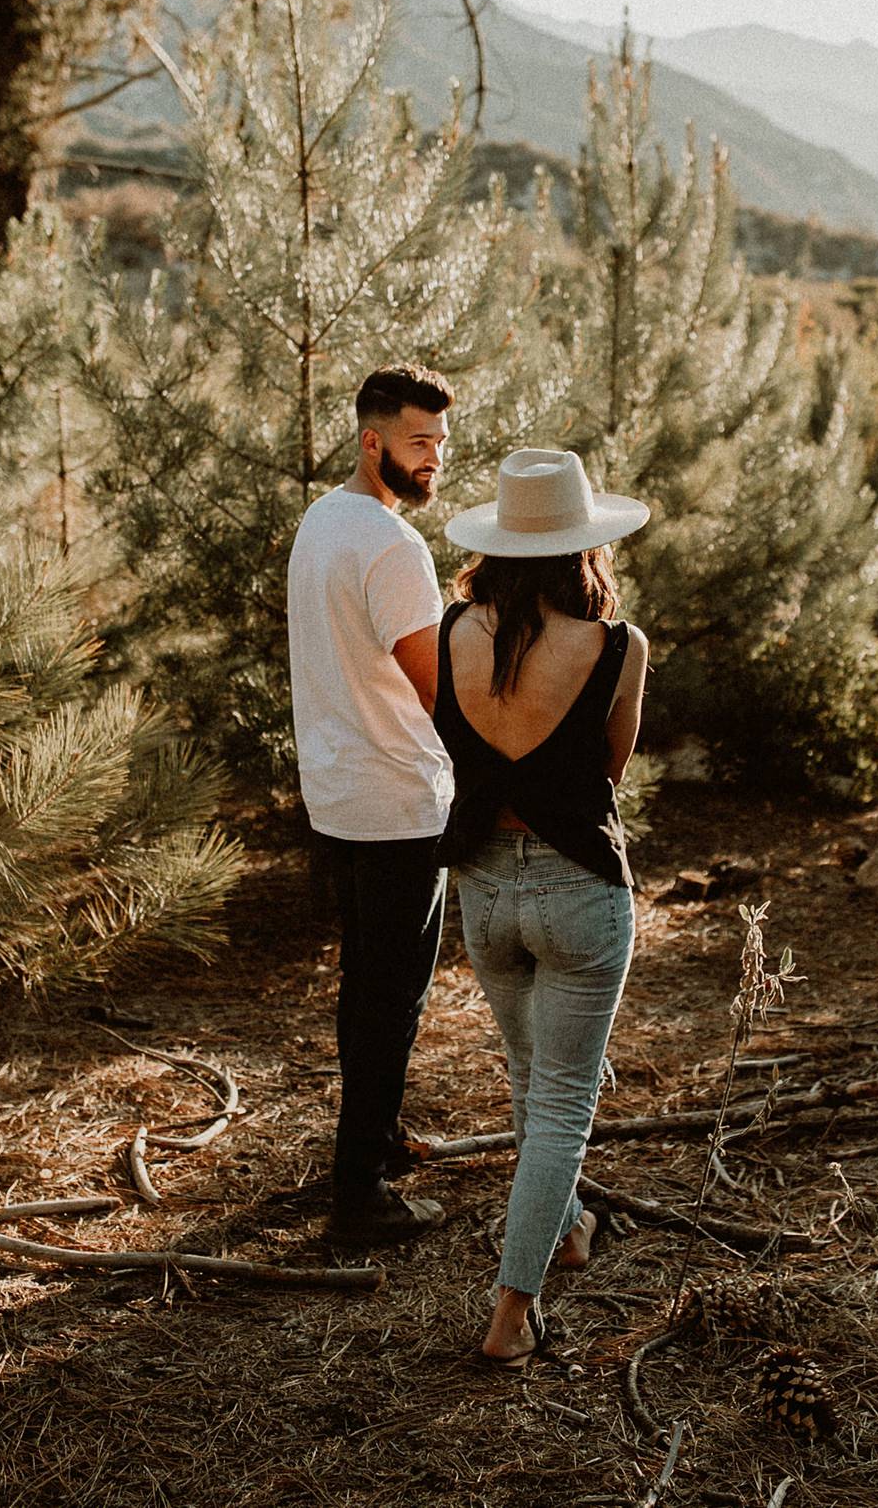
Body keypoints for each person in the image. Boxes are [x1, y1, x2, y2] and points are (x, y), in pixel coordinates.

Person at [434, 448, 650, 1366]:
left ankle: (565, 1229)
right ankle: (511, 1314)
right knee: (561, 1103)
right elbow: (608, 768)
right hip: (579, 895)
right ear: (583, 546)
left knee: (531, 1077)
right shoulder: (617, 646)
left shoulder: (451, 632)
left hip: (483, 891)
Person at [286, 364, 458, 1245]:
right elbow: (441, 693)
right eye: (419, 442)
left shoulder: (321, 521)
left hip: (338, 795)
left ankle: (377, 1143)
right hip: (397, 802)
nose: (435, 458)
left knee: (367, 986)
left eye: (441, 442)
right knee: (393, 997)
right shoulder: (393, 548)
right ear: (372, 441)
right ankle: (360, 1196)